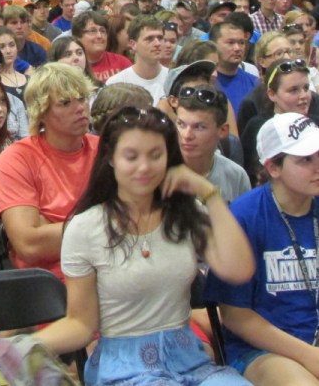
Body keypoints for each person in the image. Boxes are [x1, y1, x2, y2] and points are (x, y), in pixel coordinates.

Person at [24, 106, 254, 386]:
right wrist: (27, 344)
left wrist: (210, 195)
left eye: (156, 155)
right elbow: (81, 323)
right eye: (131, 157)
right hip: (122, 364)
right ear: (110, 158)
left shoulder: (185, 213)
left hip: (188, 357)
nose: (144, 167)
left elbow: (238, 269)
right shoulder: (86, 228)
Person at [205, 113, 319, 385]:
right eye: (305, 160)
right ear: (273, 167)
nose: (318, 166)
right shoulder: (243, 217)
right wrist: (309, 354)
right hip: (262, 349)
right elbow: (235, 316)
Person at [0, 63, 98, 277]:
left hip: (107, 274)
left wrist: (50, 226)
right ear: (41, 112)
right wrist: (105, 224)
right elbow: (29, 246)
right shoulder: (18, 158)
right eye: (65, 103)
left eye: (82, 99)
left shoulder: (105, 149)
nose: (80, 108)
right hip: (48, 284)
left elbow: (136, 223)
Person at [175, 84, 250, 204]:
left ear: (222, 131)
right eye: (181, 124)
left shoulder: (236, 176)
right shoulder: (159, 173)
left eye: (199, 127)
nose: (187, 135)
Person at [106, 16, 169, 101]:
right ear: (133, 44)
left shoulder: (173, 79)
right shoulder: (116, 83)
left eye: (160, 38)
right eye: (149, 39)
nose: (157, 43)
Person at [73, 11, 133, 82]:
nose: (99, 36)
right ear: (78, 37)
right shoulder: (71, 66)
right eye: (92, 31)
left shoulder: (122, 63)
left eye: (102, 31)